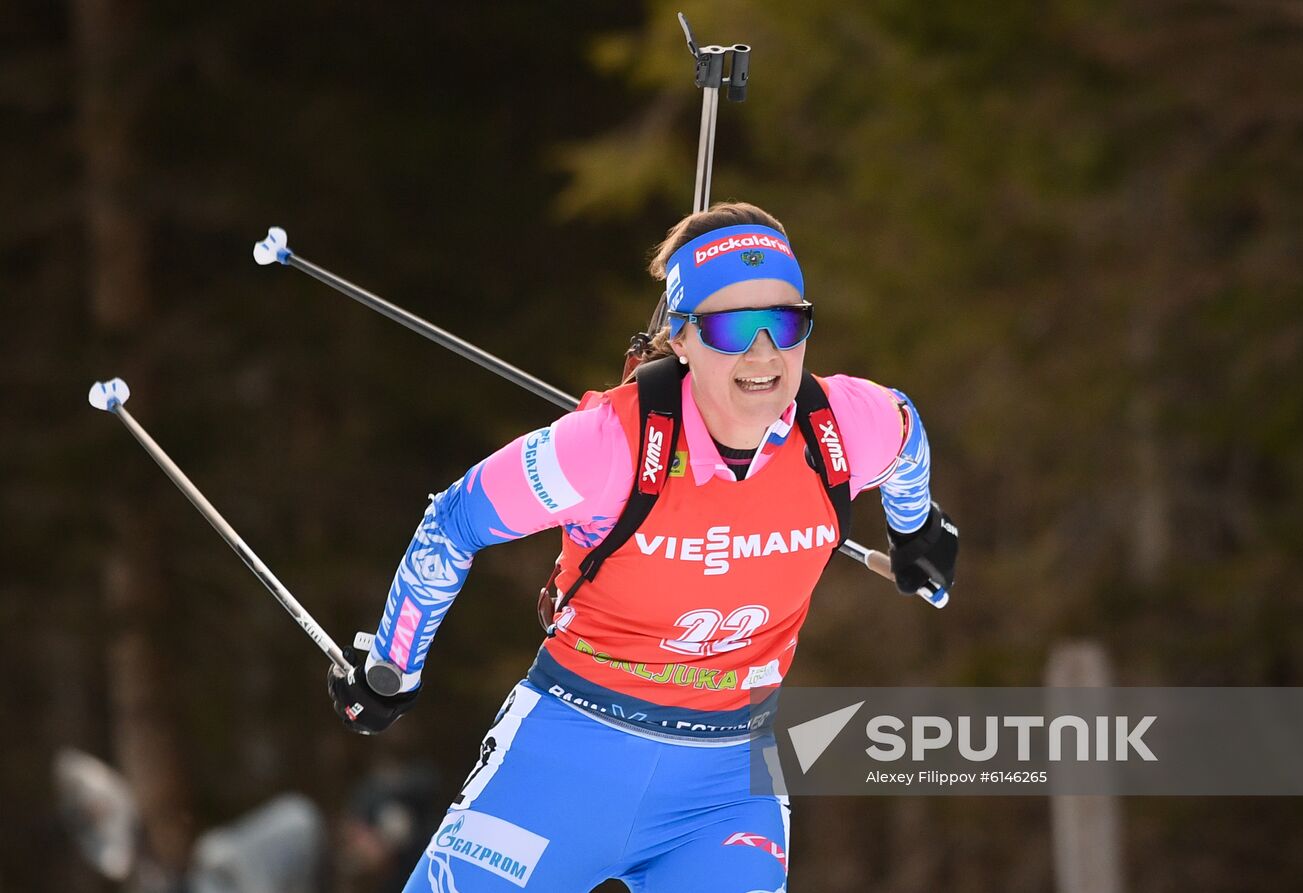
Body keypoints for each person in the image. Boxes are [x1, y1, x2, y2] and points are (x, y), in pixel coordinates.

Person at [329, 202, 958, 892]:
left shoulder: (842, 428)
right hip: (567, 756)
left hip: (726, 789)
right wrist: (392, 664)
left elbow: (907, 434)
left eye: (783, 322)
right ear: (682, 338)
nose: (763, 354)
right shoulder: (605, 446)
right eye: (730, 328)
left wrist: (915, 529)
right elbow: (455, 519)